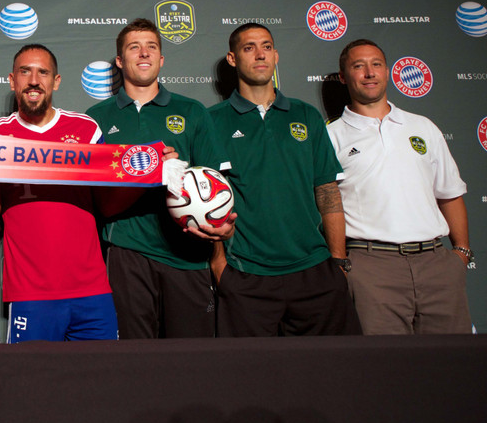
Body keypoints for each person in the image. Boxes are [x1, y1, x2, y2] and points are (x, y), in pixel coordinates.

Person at [207, 23, 360, 337]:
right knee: (249, 368)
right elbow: (206, 201)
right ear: (233, 59)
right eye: (249, 47)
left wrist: (338, 261)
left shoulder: (305, 115)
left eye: (266, 46)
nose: (260, 54)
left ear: (276, 55)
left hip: (315, 270)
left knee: (333, 365)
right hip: (246, 271)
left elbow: (327, 190)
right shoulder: (212, 120)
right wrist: (219, 264)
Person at [85, 19, 232, 339]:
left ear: (161, 59)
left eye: (151, 46)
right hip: (127, 253)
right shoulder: (96, 118)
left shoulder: (192, 111)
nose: (144, 53)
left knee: (192, 357)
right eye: (134, 47)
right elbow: (91, 194)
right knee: (134, 357)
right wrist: (141, 168)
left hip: (187, 253)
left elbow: (215, 181)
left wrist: (220, 222)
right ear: (119, 61)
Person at [328, 39, 472, 334]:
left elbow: (449, 193)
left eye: (376, 64)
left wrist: (461, 253)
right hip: (370, 266)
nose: (370, 73)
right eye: (359, 66)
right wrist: (341, 263)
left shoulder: (423, 126)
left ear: (387, 71)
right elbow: (327, 204)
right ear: (343, 77)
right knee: (385, 360)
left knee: (452, 358)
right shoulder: (331, 136)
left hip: (437, 264)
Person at [0, 44, 117, 342]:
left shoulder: (86, 129)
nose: (33, 80)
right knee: (31, 373)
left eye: (43, 72)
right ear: (12, 80)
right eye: (25, 72)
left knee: (104, 372)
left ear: (56, 81)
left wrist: (155, 166)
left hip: (91, 288)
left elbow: (107, 202)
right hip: (31, 292)